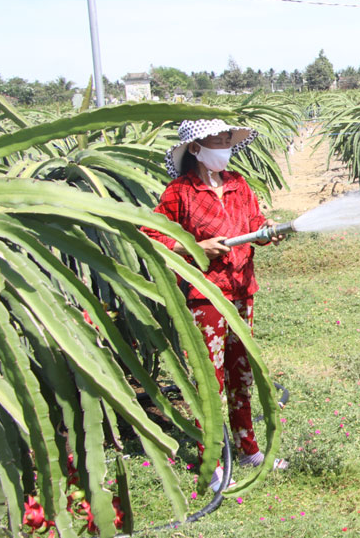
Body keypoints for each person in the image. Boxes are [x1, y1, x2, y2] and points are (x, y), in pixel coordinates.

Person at [142, 119, 287, 488]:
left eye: (228, 140)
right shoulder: (179, 193)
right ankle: (212, 458)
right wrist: (195, 247)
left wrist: (270, 231)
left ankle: (247, 447)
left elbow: (254, 222)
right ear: (195, 148)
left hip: (241, 290)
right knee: (211, 379)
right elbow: (152, 235)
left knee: (241, 372)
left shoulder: (238, 184)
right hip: (205, 295)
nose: (225, 146)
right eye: (218, 140)